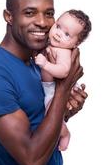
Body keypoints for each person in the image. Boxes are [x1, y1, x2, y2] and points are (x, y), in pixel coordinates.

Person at [0, 0, 87, 165]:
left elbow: (38, 122)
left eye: (49, 14)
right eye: (29, 12)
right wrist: (63, 89)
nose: (42, 22)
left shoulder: (38, 64)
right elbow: (32, 160)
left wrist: (65, 109)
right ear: (9, 16)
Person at [35, 9, 91, 151]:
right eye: (58, 26)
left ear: (75, 44)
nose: (59, 34)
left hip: (55, 89)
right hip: (51, 87)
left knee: (50, 114)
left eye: (67, 34)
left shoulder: (64, 52)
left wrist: (46, 64)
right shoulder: (51, 43)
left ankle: (65, 133)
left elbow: (64, 71)